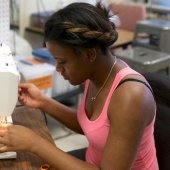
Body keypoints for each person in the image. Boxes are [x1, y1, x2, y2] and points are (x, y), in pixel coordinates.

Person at [0, 2, 159, 170]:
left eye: (62, 62)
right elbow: (91, 126)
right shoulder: (94, 75)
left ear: (89, 54)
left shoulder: (131, 97)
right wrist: (43, 102)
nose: (58, 69)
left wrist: (35, 143)